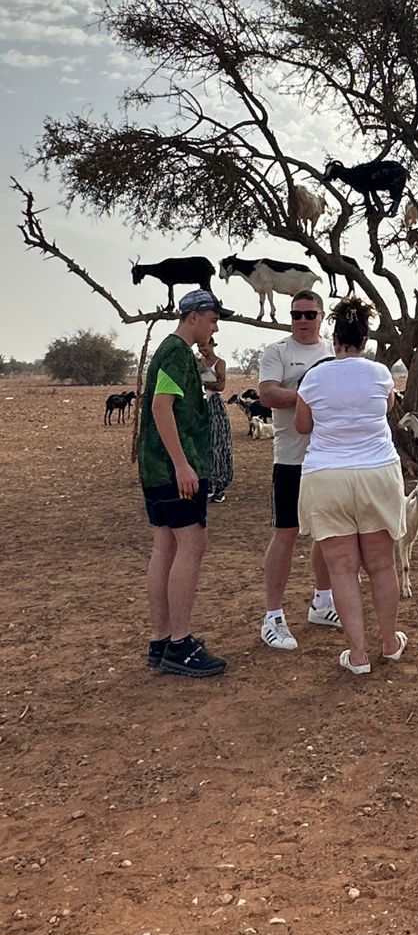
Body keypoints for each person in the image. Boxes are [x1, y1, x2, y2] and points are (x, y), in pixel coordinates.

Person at [295, 296, 406, 674]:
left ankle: (357, 654)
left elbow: (302, 426)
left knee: (341, 569)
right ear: (364, 338)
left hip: (327, 476)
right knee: (381, 564)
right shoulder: (380, 373)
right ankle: (389, 642)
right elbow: (388, 407)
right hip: (377, 472)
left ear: (335, 336)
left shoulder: (314, 376)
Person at [138, 289, 232, 677]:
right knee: (192, 544)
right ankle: (180, 643)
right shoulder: (177, 353)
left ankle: (162, 639)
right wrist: (182, 464)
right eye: (212, 318)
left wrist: (211, 357)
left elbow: (218, 385)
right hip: (175, 468)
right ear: (193, 317)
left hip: (156, 468)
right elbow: (162, 406)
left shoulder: (178, 353)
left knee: (166, 544)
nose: (215, 324)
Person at [258, 292, 339, 651]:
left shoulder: (334, 354)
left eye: (309, 314)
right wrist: (310, 395)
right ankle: (272, 616)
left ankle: (323, 602)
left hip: (327, 459)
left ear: (322, 317)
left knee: (326, 533)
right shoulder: (277, 352)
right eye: (296, 315)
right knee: (286, 534)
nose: (302, 320)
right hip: (290, 459)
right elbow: (267, 394)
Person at [197, 336, 234, 503]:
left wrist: (202, 382)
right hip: (200, 405)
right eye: (199, 346)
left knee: (218, 444)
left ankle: (220, 486)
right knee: (204, 445)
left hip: (214, 406)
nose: (201, 349)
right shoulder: (198, 363)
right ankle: (208, 484)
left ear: (212, 344)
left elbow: (220, 386)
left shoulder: (219, 363)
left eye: (204, 345)